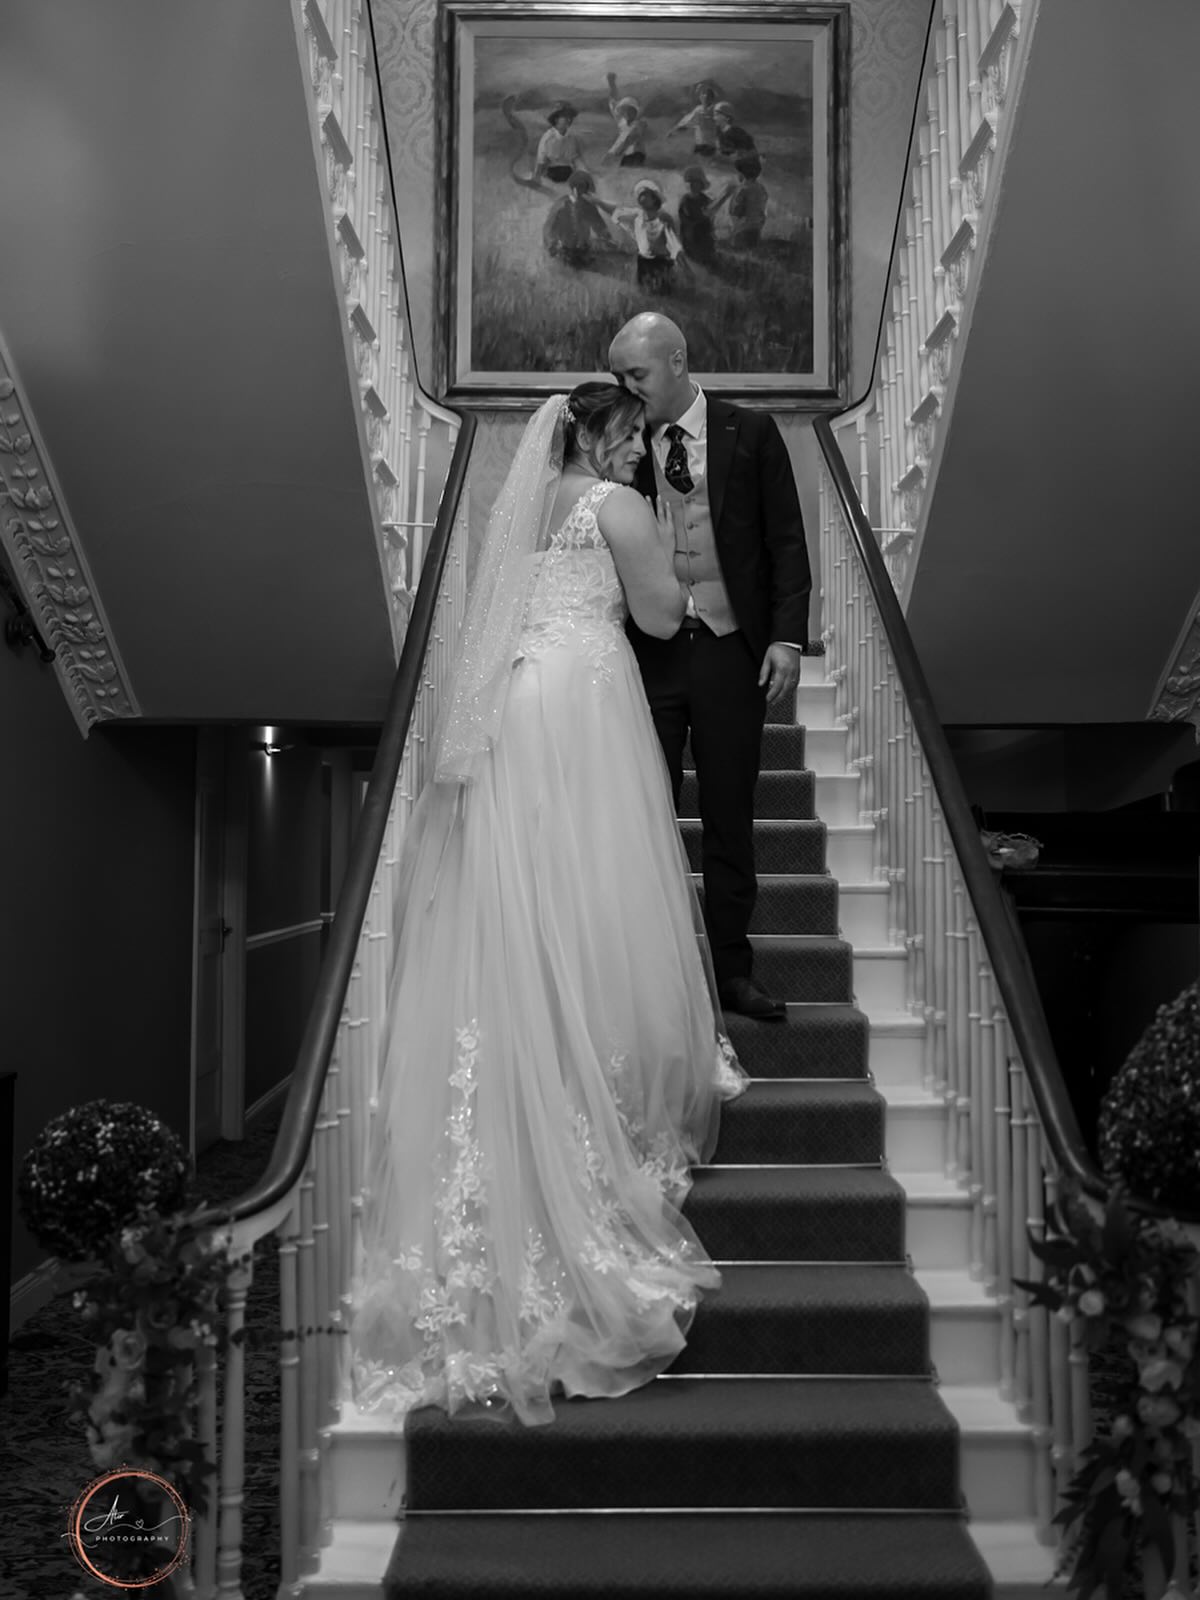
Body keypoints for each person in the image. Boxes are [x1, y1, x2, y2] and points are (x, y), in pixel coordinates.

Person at [349, 382, 745, 1428]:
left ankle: (537, 1048)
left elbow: (495, 614)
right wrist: (687, 574)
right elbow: (660, 615)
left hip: (518, 702)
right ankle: (596, 1073)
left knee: (530, 882)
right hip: (584, 703)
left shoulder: (517, 507)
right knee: (598, 881)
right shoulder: (617, 506)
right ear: (603, 437)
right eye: (632, 437)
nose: (639, 451)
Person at [609, 313, 811, 1022]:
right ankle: (649, 975)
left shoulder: (749, 432)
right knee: (645, 811)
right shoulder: (623, 445)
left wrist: (786, 639)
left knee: (729, 814)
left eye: (636, 374)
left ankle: (732, 973)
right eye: (618, 377)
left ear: (677, 361)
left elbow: (786, 539)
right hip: (651, 651)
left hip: (732, 650)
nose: (626, 388)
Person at [612, 179, 685, 295]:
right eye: (640, 195)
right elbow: (617, 214)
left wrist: (680, 261)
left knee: (663, 291)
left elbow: (673, 242)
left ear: (654, 198)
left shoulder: (663, 218)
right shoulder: (638, 217)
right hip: (644, 260)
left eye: (645, 195)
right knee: (645, 291)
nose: (642, 198)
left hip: (661, 261)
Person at [534, 101, 586, 184]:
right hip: (551, 174)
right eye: (565, 117)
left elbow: (575, 158)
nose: (569, 120)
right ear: (556, 119)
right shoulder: (548, 137)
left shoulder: (571, 138)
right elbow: (541, 159)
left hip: (569, 174)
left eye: (570, 117)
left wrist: (584, 172)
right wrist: (537, 176)